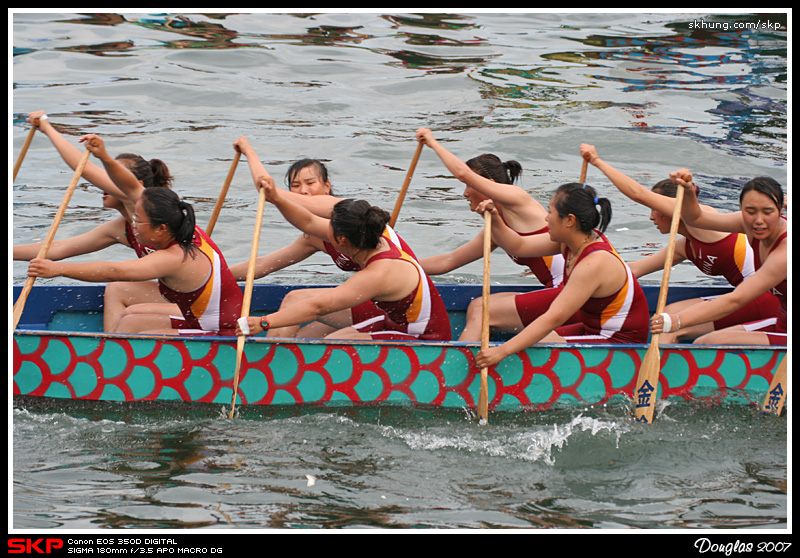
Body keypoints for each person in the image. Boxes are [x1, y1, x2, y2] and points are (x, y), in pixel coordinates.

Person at [581, 144, 781, 343]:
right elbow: (632, 269)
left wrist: (597, 161)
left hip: (758, 297)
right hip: (751, 296)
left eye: (654, 208)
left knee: (674, 329)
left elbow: (639, 194)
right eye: (752, 211)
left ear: (668, 207)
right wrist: (587, 276)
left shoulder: (709, 225)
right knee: (668, 312)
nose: (651, 217)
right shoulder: (684, 246)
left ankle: (659, 372)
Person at [230, 136, 418, 338]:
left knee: (294, 300)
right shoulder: (315, 236)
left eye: (310, 183)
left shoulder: (348, 212)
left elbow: (269, 192)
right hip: (371, 297)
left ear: (327, 186)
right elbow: (262, 265)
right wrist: (218, 275)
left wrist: (249, 151)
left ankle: (269, 363)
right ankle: (281, 362)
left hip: (395, 302)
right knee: (305, 338)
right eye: (295, 185)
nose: (303, 191)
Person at [235, 174, 451, 341]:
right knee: (329, 337)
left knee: (334, 343)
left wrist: (263, 323)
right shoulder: (374, 236)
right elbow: (308, 222)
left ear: (341, 240)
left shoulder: (379, 271)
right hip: (393, 322)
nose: (321, 228)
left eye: (328, 226)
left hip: (424, 337)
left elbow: (318, 307)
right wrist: (276, 197)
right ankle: (275, 363)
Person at [13, 118, 178, 330]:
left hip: (195, 301)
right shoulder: (121, 228)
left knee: (127, 309)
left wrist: (46, 127)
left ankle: (122, 347)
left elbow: (83, 168)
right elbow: (56, 249)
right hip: (173, 294)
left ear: (135, 185)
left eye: (112, 178)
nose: (103, 184)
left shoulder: (148, 203)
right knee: (117, 290)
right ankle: (111, 346)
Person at [474, 182, 650, 369]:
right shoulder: (571, 241)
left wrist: (501, 351)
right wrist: (495, 220)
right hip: (593, 328)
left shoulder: (594, 262)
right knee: (536, 344)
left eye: (550, 212)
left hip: (619, 343)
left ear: (569, 220)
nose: (546, 218)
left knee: (538, 347)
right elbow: (518, 246)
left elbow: (553, 318)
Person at [26, 186, 243, 336]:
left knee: (135, 331)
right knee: (130, 320)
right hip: (203, 320)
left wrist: (58, 269)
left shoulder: (173, 257)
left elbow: (115, 270)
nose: (134, 225)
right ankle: (111, 367)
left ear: (161, 229)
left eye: (139, 220)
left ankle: (115, 378)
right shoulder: (186, 230)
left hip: (224, 333)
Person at [415, 128, 565, 341]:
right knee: (477, 304)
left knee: (481, 310)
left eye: (470, 185)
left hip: (570, 291)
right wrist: (400, 264)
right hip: (556, 290)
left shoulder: (516, 199)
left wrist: (433, 143)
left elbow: (462, 172)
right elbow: (448, 261)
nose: (465, 192)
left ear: (490, 185)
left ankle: (456, 365)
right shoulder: (496, 228)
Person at [650, 173, 786, 346]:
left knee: (706, 342)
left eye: (768, 212)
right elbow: (696, 217)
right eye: (750, 211)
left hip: (767, 311)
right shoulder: (746, 224)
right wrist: (689, 191)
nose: (759, 220)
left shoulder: (784, 252)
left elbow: (736, 299)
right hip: (782, 321)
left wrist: (676, 321)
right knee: (706, 341)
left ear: (780, 210)